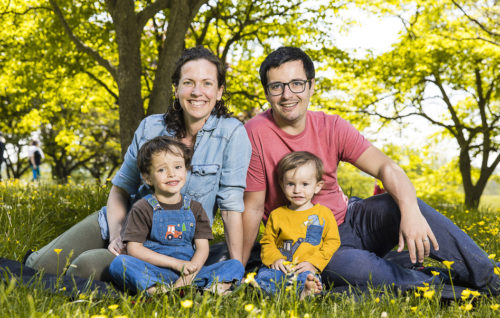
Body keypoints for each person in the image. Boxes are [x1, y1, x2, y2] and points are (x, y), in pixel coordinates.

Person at [242, 46, 499, 294]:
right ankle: (443, 286)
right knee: (353, 271)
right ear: (267, 93)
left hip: (353, 219)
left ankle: (490, 278)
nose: (287, 95)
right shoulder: (254, 133)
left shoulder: (331, 126)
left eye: (296, 83)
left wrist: (410, 212)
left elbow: (386, 167)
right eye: (276, 86)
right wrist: (237, 268)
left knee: (401, 204)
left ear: (311, 86)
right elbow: (253, 207)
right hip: (315, 246)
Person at [25, 46, 252, 281]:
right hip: (119, 223)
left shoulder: (232, 133)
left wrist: (236, 272)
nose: (197, 92)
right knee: (38, 269)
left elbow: (230, 209)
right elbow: (121, 189)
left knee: (83, 269)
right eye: (188, 82)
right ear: (176, 89)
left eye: (207, 83)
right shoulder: (151, 127)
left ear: (219, 90)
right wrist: (117, 234)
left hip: (165, 245)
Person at [109, 136, 244, 294]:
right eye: (161, 170)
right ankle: (159, 291)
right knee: (120, 263)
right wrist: (176, 264)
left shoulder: (195, 208)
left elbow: (202, 249)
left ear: (186, 170)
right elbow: (134, 249)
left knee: (235, 265)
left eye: (178, 167)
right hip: (154, 270)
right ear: (147, 178)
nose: (172, 174)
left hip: (190, 272)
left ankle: (208, 291)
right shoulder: (142, 208)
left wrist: (187, 276)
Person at [253, 151, 340, 299]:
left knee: (307, 278)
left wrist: (314, 263)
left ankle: (305, 292)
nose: (297, 190)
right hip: (280, 267)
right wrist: (275, 259)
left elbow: (332, 241)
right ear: (282, 185)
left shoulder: (323, 214)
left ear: (318, 187)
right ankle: (266, 292)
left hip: (305, 268)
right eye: (291, 184)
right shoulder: (277, 215)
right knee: (265, 275)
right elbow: (267, 242)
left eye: (305, 184)